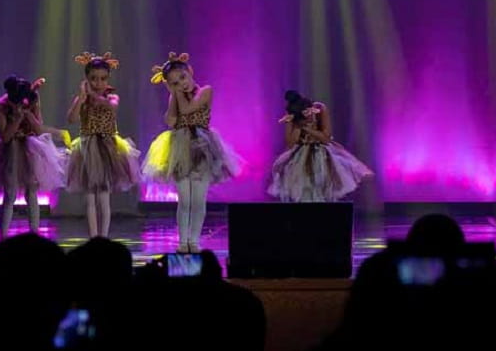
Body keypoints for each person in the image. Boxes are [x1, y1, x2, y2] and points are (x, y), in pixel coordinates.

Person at [143, 52, 244, 252]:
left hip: (203, 146)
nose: (182, 84)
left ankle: (194, 240)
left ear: (190, 72)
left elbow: (189, 109)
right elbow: (171, 121)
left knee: (198, 199)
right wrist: (173, 95)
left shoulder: (205, 91)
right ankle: (183, 241)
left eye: (183, 78)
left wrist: (176, 92)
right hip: (180, 148)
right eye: (175, 82)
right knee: (185, 199)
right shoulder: (176, 96)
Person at [0, 75, 68, 239]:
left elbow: (38, 128)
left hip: (30, 148)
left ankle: (34, 235)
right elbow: (5, 136)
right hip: (11, 148)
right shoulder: (2, 104)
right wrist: (17, 119)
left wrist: (29, 115)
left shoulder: (32, 100)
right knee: (10, 194)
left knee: (31, 192)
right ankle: (3, 236)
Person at [65, 51, 143, 239]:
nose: (98, 83)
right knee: (90, 196)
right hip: (87, 147)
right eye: (93, 79)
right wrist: (82, 99)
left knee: (104, 196)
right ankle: (94, 237)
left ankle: (104, 236)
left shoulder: (111, 97)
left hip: (108, 147)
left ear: (108, 79)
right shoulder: (82, 99)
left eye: (102, 78)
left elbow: (110, 107)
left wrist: (90, 94)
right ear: (86, 78)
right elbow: (71, 119)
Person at [267, 90, 373, 203]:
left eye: (309, 113)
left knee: (322, 182)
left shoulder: (320, 108)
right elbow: (290, 143)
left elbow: (326, 138)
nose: (308, 117)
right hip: (300, 154)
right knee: (304, 187)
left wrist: (309, 128)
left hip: (322, 151)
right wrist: (298, 126)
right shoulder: (292, 115)